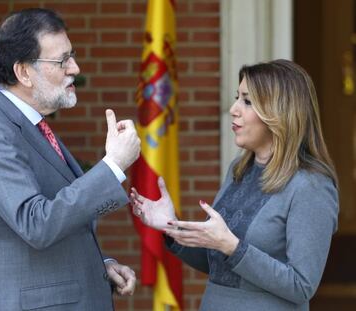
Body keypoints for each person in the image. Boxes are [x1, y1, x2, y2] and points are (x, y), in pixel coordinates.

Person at [0, 8, 140, 311]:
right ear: (24, 72)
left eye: (72, 55)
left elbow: (59, 222)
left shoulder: (28, 124)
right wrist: (113, 165)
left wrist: (98, 266)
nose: (75, 68)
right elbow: (36, 224)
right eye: (62, 60)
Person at [131, 59, 339, 311]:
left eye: (247, 101)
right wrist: (172, 228)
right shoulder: (239, 170)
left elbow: (302, 285)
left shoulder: (311, 186)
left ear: (279, 113)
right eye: (237, 97)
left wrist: (234, 247)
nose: (233, 109)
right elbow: (217, 260)